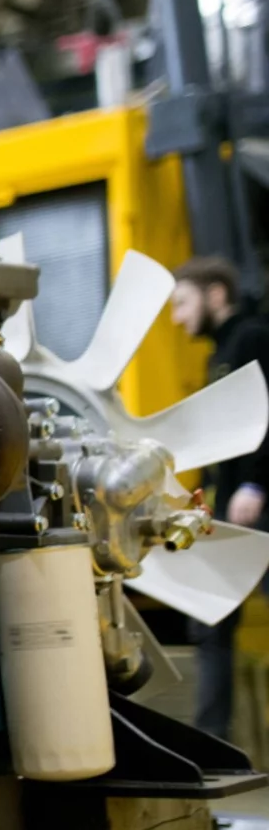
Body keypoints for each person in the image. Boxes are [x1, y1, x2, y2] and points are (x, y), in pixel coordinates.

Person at [169, 255, 269, 742]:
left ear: (215, 295)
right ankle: (211, 739)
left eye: (183, 303)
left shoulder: (253, 338)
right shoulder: (218, 354)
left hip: (255, 504)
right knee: (210, 622)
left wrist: (257, 484)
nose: (177, 317)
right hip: (228, 506)